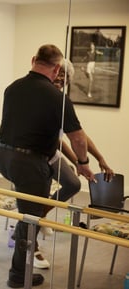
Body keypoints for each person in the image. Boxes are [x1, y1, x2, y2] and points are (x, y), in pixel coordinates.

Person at [0, 44, 96, 288]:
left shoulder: (13, 88)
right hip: (29, 163)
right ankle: (18, 276)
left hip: (4, 156)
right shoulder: (57, 98)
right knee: (29, 220)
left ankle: (37, 215)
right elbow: (78, 138)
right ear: (57, 68)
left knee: (54, 191)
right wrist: (83, 162)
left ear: (33, 60)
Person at [33, 59, 114, 269]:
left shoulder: (62, 100)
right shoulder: (43, 98)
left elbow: (79, 135)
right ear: (52, 73)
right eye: (58, 76)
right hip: (34, 155)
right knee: (35, 199)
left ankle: (41, 216)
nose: (60, 81)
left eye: (64, 79)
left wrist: (100, 158)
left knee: (73, 184)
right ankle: (29, 242)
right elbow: (61, 140)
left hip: (51, 152)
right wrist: (78, 161)